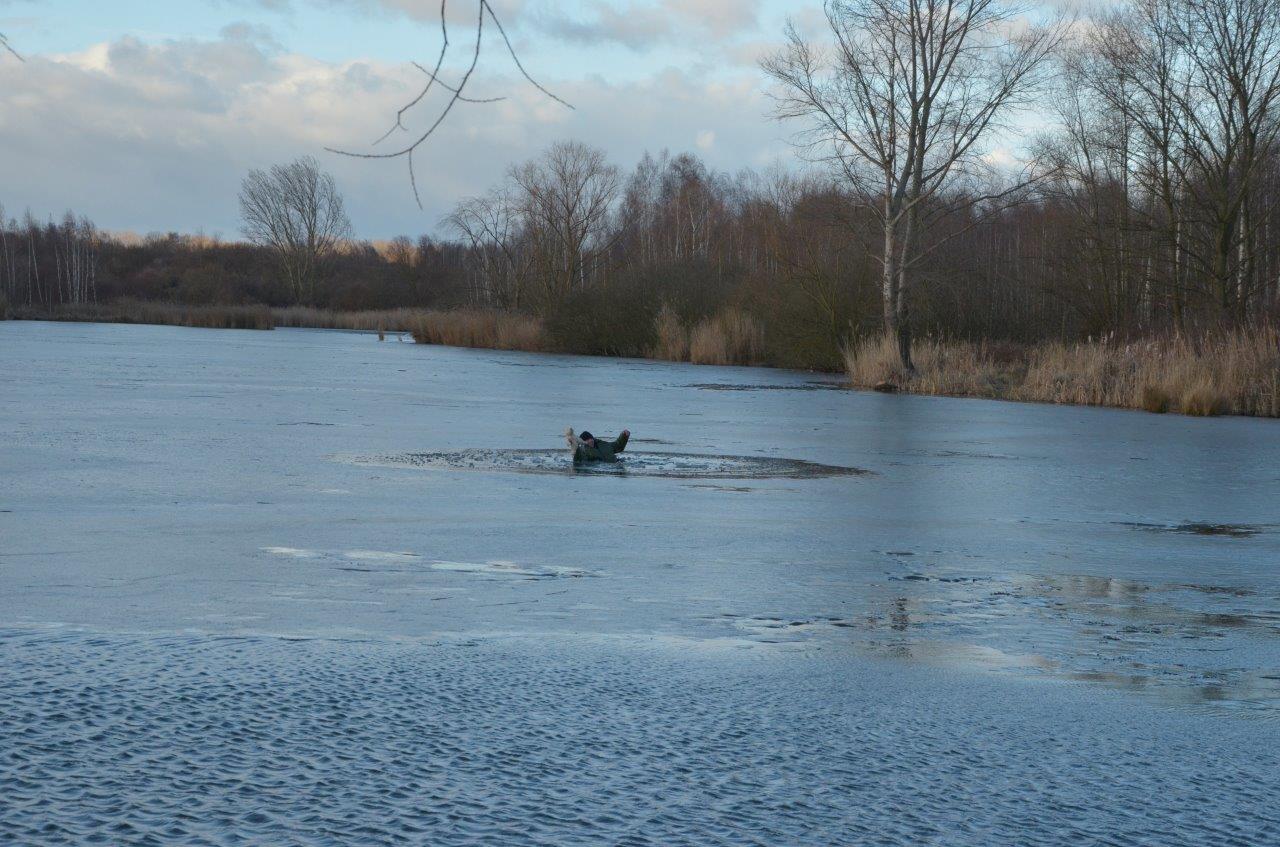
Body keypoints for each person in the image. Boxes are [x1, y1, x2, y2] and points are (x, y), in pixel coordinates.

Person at [565, 427, 630, 463]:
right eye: (586, 440)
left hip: (617, 465)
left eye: (590, 438)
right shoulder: (583, 452)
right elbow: (577, 460)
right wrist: (573, 445)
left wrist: (624, 435)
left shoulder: (604, 445)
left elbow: (618, 446)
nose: (590, 441)